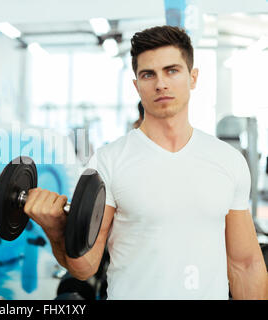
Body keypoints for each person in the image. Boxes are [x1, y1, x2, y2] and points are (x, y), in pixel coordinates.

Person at [23, 25, 267, 299]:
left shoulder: (227, 160)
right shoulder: (108, 161)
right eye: (148, 74)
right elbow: (85, 267)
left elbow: (246, 264)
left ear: (193, 77)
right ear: (136, 85)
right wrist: (55, 228)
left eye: (172, 70)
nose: (161, 83)